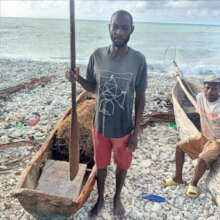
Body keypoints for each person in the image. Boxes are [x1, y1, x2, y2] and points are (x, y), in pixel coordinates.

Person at [66, 10, 147, 219]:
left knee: (122, 166)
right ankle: (101, 197)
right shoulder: (97, 56)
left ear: (132, 30)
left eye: (124, 27)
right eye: (115, 27)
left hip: (124, 130)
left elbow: (140, 98)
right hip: (100, 127)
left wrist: (136, 132)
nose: (119, 32)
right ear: (109, 28)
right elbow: (93, 88)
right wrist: (78, 79)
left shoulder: (138, 60)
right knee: (101, 166)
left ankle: (116, 197)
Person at [162, 75, 220, 198]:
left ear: (219, 89)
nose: (210, 91)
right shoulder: (200, 98)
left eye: (214, 89)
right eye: (207, 88)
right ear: (203, 88)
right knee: (179, 147)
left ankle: (193, 183)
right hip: (203, 136)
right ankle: (178, 178)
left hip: (217, 141)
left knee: (202, 159)